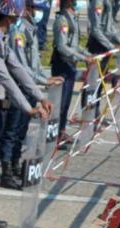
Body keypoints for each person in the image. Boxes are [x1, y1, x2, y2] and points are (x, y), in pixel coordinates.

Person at [0, 0, 51, 188]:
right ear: (6, 17)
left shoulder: (1, 39)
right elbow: (5, 76)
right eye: (14, 16)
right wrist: (28, 108)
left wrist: (40, 96)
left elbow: (18, 69)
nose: (16, 20)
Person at [0, 0, 63, 187]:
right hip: (18, 87)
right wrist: (43, 81)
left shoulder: (30, 29)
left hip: (29, 86)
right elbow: (21, 66)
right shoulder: (17, 31)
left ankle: (15, 164)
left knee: (21, 130)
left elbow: (34, 64)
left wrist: (46, 77)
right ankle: (6, 172)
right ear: (26, 9)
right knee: (12, 130)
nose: (37, 13)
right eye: (34, 9)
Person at [51, 0, 92, 147]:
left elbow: (74, 45)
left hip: (70, 64)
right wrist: (82, 58)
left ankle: (61, 131)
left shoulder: (71, 18)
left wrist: (87, 55)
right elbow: (62, 46)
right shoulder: (62, 20)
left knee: (66, 103)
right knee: (60, 104)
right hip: (62, 65)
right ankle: (55, 136)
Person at [87, 0, 120, 118]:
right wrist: (111, 46)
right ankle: (89, 115)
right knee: (93, 83)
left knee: (100, 83)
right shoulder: (98, 2)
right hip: (98, 45)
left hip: (105, 45)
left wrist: (119, 41)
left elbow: (109, 26)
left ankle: (95, 113)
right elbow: (96, 29)